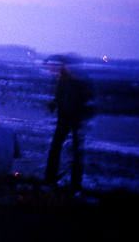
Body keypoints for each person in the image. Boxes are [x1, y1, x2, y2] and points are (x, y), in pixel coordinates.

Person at [44, 55, 94, 193]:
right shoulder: (66, 79)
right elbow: (59, 96)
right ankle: (51, 179)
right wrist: (54, 104)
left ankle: (72, 183)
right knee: (58, 149)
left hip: (74, 120)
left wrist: (86, 116)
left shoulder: (80, 80)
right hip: (65, 119)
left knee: (72, 152)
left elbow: (88, 101)